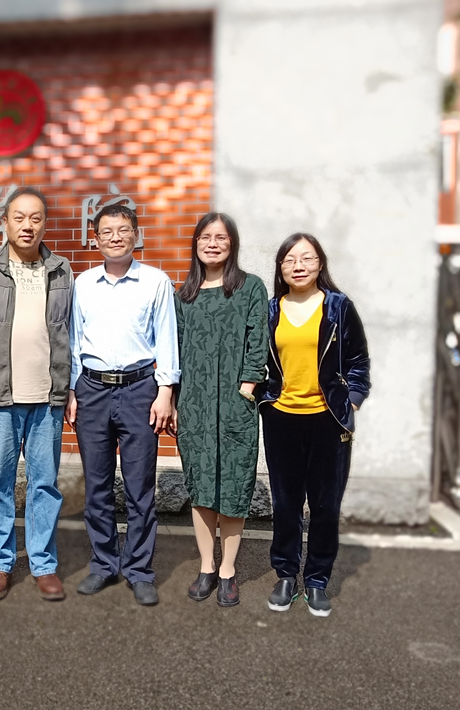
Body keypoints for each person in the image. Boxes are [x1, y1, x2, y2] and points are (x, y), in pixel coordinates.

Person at [0, 187, 72, 602]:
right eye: (20, 217)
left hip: (47, 396)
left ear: (45, 224)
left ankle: (43, 564)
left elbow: (68, 329)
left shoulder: (61, 270)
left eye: (36, 218)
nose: (28, 225)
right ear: (5, 222)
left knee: (45, 484)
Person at [66, 203, 179, 606]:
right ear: (95, 238)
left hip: (140, 391)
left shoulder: (156, 282)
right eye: (107, 231)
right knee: (96, 485)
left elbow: (167, 338)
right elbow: (74, 341)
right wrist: (72, 390)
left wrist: (165, 392)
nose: (115, 237)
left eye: (123, 230)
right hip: (92, 390)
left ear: (136, 235)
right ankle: (103, 564)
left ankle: (139, 570)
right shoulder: (83, 284)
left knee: (139, 487)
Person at [259, 232, 370, 617]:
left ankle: (317, 580)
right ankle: (286, 576)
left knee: (325, 505)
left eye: (306, 258)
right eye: (290, 260)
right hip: (282, 419)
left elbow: (358, 361)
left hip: (328, 420)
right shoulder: (271, 310)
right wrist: (265, 400)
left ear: (320, 263)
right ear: (281, 268)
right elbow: (259, 362)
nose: (298, 266)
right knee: (286, 504)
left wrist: (351, 400)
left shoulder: (338, 306)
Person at [174, 213, 268, 607]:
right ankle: (206, 565)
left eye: (221, 238)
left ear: (233, 244)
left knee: (232, 485)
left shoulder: (250, 287)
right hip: (194, 404)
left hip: (234, 403)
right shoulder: (184, 295)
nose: (212, 244)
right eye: (205, 237)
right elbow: (175, 350)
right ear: (196, 243)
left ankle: (228, 569)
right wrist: (175, 399)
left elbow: (258, 339)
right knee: (200, 486)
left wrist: (248, 385)